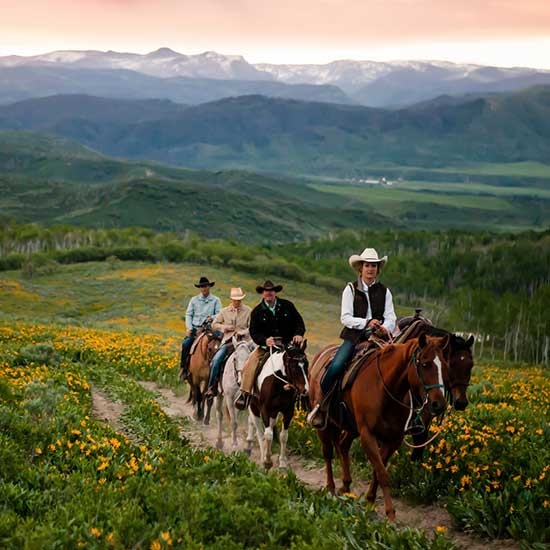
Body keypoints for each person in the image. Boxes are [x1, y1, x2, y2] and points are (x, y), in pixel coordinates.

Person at [307, 248, 396, 427]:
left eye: (374, 266)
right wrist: (366, 323)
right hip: (355, 337)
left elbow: (391, 317)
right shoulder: (350, 289)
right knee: (336, 367)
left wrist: (383, 328)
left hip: (380, 337)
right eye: (367, 265)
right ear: (360, 268)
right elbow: (345, 317)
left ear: (378, 269)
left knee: (401, 367)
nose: (370, 269)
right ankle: (321, 406)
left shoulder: (385, 291)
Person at [234, 280, 306, 410]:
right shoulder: (256, 311)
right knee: (251, 364)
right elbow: (253, 332)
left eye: (271, 291)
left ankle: (306, 394)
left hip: (287, 345)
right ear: (262, 293)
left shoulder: (287, 306)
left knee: (301, 362)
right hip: (266, 347)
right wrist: (264, 340)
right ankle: (245, 394)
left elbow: (299, 323)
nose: (269, 293)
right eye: (266, 291)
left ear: (275, 292)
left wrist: (299, 334)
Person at [204, 287, 252, 398]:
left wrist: (242, 332)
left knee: (256, 361)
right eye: (235, 299)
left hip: (245, 342)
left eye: (239, 299)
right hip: (229, 341)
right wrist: (224, 327)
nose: (237, 302)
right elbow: (214, 324)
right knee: (216, 360)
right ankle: (212, 387)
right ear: (231, 299)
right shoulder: (224, 311)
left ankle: (254, 389)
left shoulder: (249, 311)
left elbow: (251, 327)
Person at [179, 276, 222, 381]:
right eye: (202, 287)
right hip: (196, 328)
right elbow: (188, 314)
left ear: (209, 287)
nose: (204, 288)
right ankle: (184, 369)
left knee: (219, 344)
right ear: (200, 288)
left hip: (209, 329)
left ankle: (219, 371)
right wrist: (189, 328)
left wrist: (213, 317)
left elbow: (220, 314)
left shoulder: (216, 300)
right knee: (186, 344)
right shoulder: (194, 300)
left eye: (206, 286)